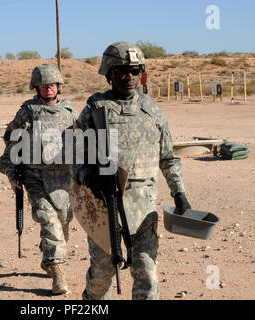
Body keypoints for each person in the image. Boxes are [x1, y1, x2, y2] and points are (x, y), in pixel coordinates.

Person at [73, 41, 191, 300]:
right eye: (122, 71)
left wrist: (179, 193)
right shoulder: (95, 110)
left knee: (146, 271)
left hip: (143, 203)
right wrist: (86, 175)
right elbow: (76, 151)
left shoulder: (152, 111)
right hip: (104, 203)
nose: (129, 76)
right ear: (109, 74)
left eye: (135, 71)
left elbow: (168, 158)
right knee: (102, 274)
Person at [0, 64, 78, 295]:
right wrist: (12, 173)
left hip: (63, 177)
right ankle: (58, 272)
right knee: (49, 220)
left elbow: (82, 141)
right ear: (36, 88)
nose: (49, 89)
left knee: (63, 222)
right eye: (43, 86)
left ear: (59, 86)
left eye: (52, 85)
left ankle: (49, 256)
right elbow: (12, 140)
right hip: (35, 176)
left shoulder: (70, 111)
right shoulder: (28, 111)